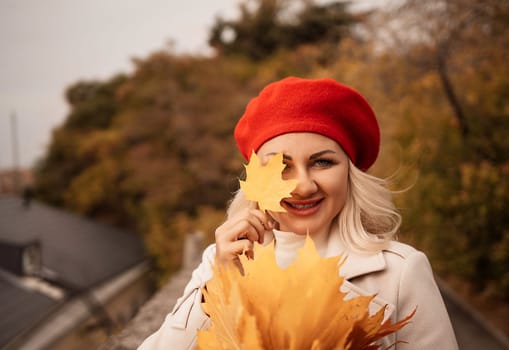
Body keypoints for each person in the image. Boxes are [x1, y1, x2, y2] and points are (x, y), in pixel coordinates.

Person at [138, 77, 459, 349]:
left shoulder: (400, 270)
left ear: (350, 173)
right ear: (256, 178)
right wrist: (219, 282)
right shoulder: (219, 261)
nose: (303, 186)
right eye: (282, 166)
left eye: (322, 162)